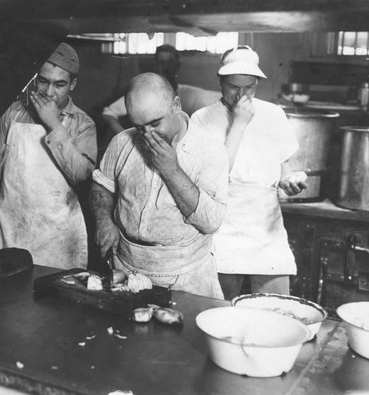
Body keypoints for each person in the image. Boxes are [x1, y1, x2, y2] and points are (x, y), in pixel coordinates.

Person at [91, 72, 228, 298]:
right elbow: (102, 186)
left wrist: (171, 170)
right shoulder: (122, 142)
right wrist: (103, 220)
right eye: (139, 126)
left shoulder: (209, 151)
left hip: (185, 277)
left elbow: (211, 221)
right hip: (125, 270)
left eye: (155, 123)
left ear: (176, 105)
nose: (148, 134)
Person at [191, 45, 308, 300]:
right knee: (219, 309)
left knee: (275, 310)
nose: (241, 95)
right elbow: (216, 175)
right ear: (220, 81)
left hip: (266, 226)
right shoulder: (202, 119)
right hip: (223, 227)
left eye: (249, 87)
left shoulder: (273, 114)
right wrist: (240, 122)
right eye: (234, 86)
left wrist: (289, 179)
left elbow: (283, 164)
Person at [0, 42, 97, 269]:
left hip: (58, 237)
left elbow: (82, 177)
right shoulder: (12, 113)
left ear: (73, 84)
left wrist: (53, 123)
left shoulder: (83, 124)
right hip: (13, 227)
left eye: (59, 84)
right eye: (43, 81)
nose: (48, 92)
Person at [102, 44, 221, 135]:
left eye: (169, 62)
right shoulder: (144, 94)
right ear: (155, 65)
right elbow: (108, 113)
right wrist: (126, 136)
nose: (165, 67)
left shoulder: (187, 93)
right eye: (161, 63)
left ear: (177, 65)